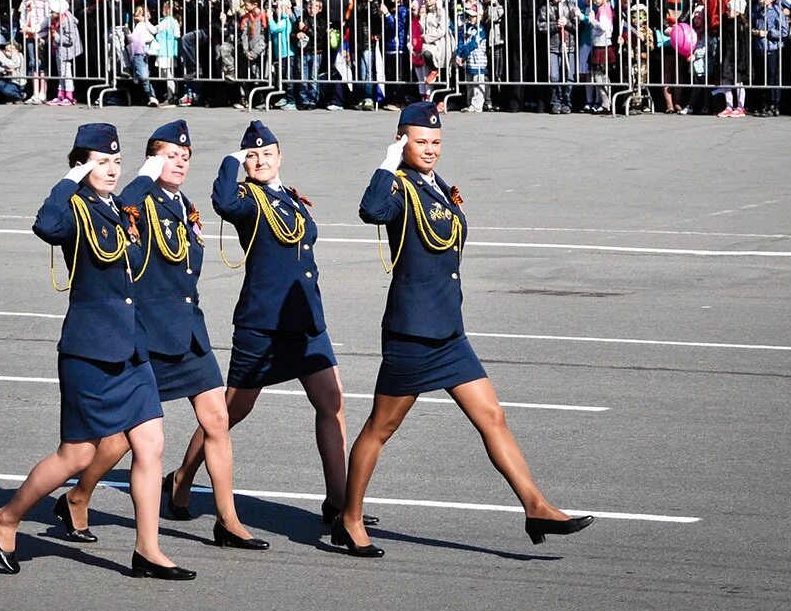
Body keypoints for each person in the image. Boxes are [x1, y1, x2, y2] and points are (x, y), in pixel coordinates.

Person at [337, 102, 592, 556]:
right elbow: (371, 211)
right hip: (413, 334)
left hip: (449, 332)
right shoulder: (398, 188)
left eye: (436, 142)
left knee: (493, 417)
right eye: (420, 142)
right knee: (380, 429)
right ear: (402, 141)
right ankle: (350, 518)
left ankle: (535, 505)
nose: (430, 149)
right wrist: (387, 161)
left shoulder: (435, 187)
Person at [0, 123, 193, 580]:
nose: (111, 170)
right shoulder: (75, 210)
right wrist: (71, 179)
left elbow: (135, 215)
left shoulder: (119, 208)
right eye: (101, 162)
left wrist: (142, 172)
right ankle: (6, 517)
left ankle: (147, 549)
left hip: (132, 348)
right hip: (91, 351)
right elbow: (46, 225)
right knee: (75, 457)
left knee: (151, 443)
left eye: (116, 162)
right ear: (81, 164)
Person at [62, 120, 266, 551]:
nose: (178, 163)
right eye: (169, 155)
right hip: (149, 336)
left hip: (189, 333)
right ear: (152, 159)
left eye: (184, 157)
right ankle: (78, 497)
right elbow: (123, 212)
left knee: (217, 420)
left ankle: (227, 520)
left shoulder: (181, 202)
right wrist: (145, 173)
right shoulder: (137, 200)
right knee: (118, 439)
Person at [167, 120, 375, 530]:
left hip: (306, 322)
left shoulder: (290, 198)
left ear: (280, 156)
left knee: (332, 405)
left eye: (266, 153)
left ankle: (338, 500)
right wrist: (230, 160)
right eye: (252, 155)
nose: (259, 160)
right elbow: (223, 203)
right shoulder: (246, 198)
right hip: (263, 325)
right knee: (228, 414)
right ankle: (182, 476)